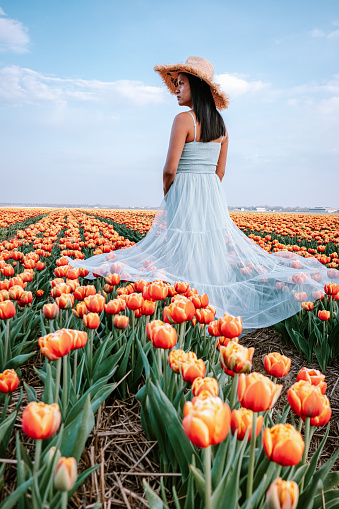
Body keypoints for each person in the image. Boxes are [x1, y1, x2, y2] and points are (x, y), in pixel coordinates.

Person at [68, 56, 337, 329]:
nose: (176, 89)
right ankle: (209, 310)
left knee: (184, 247)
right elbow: (220, 172)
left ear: (195, 86)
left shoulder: (183, 120)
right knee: (208, 247)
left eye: (181, 83)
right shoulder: (221, 126)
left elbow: (169, 170)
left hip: (185, 189)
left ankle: (185, 307)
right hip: (210, 192)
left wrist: (170, 194)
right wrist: (207, 191)